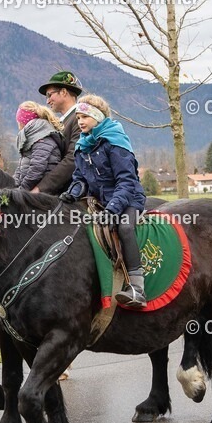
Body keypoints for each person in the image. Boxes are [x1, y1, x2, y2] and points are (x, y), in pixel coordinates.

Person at [60, 95, 147, 309]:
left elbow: (126, 181)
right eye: (78, 117)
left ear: (98, 117)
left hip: (129, 199)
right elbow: (80, 178)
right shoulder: (82, 146)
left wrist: (112, 209)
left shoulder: (115, 142)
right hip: (100, 202)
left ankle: (137, 288)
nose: (80, 121)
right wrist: (72, 193)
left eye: (85, 117)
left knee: (124, 227)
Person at [34, 71, 84, 195]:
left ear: (63, 92)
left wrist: (41, 188)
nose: (47, 101)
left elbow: (72, 160)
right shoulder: (65, 120)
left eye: (49, 95)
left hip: (73, 193)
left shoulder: (79, 119)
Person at [13, 101, 64, 190]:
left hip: (42, 191)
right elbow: (20, 168)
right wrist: (12, 186)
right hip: (30, 188)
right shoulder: (32, 138)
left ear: (22, 122)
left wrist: (22, 190)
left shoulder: (42, 137)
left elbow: (37, 168)